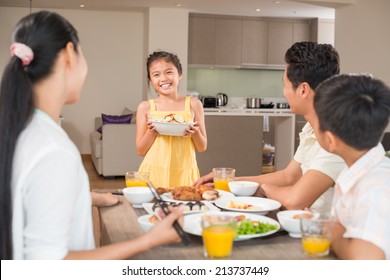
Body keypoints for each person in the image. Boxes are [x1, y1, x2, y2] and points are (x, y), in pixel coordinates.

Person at [0, 11, 184, 260]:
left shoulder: (22, 130)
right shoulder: (53, 149)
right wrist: (150, 240)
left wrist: (88, 196)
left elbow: (30, 196)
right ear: (68, 55)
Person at [195, 42, 346, 212]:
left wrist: (264, 189)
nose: (284, 92)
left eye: (285, 85)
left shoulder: (338, 137)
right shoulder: (311, 129)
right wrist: (231, 182)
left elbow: (295, 200)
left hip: (324, 233)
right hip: (306, 223)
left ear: (303, 90)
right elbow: (289, 176)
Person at [313, 74, 390, 259]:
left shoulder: (375, 188)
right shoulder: (360, 169)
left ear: (330, 140)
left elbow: (366, 261)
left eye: (315, 121)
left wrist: (332, 231)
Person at [136, 51, 207, 188]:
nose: (163, 78)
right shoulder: (145, 107)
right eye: (156, 75)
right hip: (154, 172)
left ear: (179, 74)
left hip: (185, 172)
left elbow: (202, 147)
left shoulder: (194, 104)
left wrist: (195, 132)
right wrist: (152, 131)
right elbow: (140, 150)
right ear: (150, 80)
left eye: (169, 72)